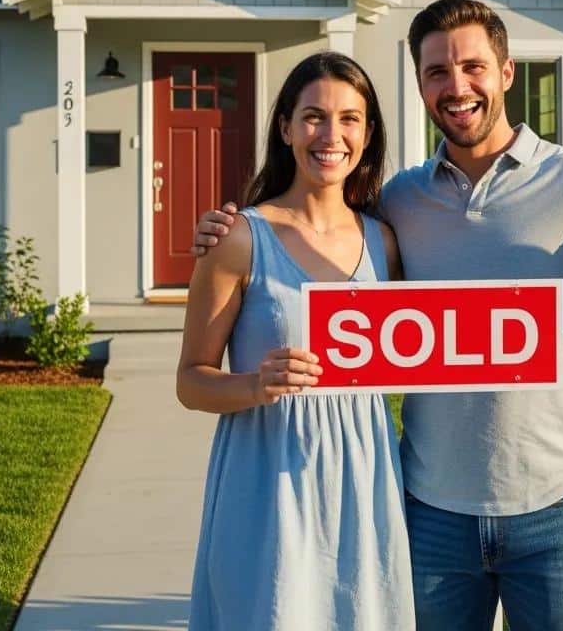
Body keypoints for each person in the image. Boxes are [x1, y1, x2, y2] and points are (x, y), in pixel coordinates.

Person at [193, 0, 563, 631]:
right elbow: (314, 239)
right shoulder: (397, 205)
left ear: (507, 72)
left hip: (555, 508)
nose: (456, 86)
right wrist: (228, 232)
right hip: (430, 512)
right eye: (437, 71)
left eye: (473, 67)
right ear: (419, 84)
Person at [177, 51, 414, 631]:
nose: (330, 135)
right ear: (285, 128)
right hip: (268, 476)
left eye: (349, 118)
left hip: (365, 476)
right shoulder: (239, 237)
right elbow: (191, 380)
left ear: (368, 132)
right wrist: (257, 383)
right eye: (313, 116)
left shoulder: (386, 241)